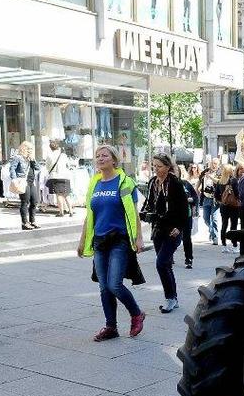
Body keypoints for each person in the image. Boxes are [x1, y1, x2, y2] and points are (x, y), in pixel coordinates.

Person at [77, 145, 146, 341]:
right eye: (97, 156)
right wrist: (82, 241)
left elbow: (134, 213)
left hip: (119, 239)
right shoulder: (95, 183)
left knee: (114, 284)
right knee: (103, 287)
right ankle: (111, 327)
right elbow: (89, 216)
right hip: (99, 241)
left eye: (104, 155)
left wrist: (138, 238)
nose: (100, 158)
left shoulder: (125, 182)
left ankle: (136, 313)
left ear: (114, 160)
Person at [142, 154, 188, 313]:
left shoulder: (175, 183)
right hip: (158, 229)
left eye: (159, 166)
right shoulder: (152, 183)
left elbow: (184, 209)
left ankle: (170, 298)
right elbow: (148, 203)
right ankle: (173, 297)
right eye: (154, 166)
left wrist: (179, 227)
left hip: (172, 231)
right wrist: (145, 212)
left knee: (161, 263)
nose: (156, 169)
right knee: (166, 264)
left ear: (168, 167)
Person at [9, 141, 39, 230]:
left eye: (31, 149)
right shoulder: (18, 157)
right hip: (22, 181)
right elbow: (12, 168)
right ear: (24, 148)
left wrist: (33, 160)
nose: (30, 150)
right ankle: (24, 222)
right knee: (25, 202)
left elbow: (38, 168)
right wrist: (14, 179)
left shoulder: (30, 159)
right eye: (28, 148)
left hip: (31, 182)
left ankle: (32, 221)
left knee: (34, 201)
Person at [45, 140, 74, 217]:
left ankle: (61, 212)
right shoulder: (63, 155)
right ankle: (71, 211)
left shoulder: (49, 155)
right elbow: (68, 164)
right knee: (67, 194)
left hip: (55, 176)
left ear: (50, 148)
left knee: (59, 195)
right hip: (65, 176)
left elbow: (47, 167)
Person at [217, 164, 240, 252]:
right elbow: (237, 193)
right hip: (233, 207)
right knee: (233, 226)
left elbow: (216, 195)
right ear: (231, 171)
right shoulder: (233, 180)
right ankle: (234, 245)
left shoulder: (220, 181)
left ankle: (224, 245)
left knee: (224, 225)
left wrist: (223, 201)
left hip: (224, 207)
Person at [198, 159, 220, 245]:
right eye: (212, 163)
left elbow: (218, 182)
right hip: (206, 197)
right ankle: (211, 231)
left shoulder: (219, 173)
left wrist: (210, 177)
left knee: (214, 218)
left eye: (215, 163)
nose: (213, 165)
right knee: (205, 218)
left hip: (215, 198)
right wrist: (196, 189)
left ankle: (215, 237)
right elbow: (200, 181)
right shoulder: (205, 172)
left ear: (218, 164)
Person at [179, 165, 196, 268]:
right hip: (172, 215)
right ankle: (169, 256)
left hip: (186, 214)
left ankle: (188, 258)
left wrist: (190, 200)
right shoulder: (167, 185)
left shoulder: (186, 184)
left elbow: (194, 197)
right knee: (172, 238)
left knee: (186, 237)